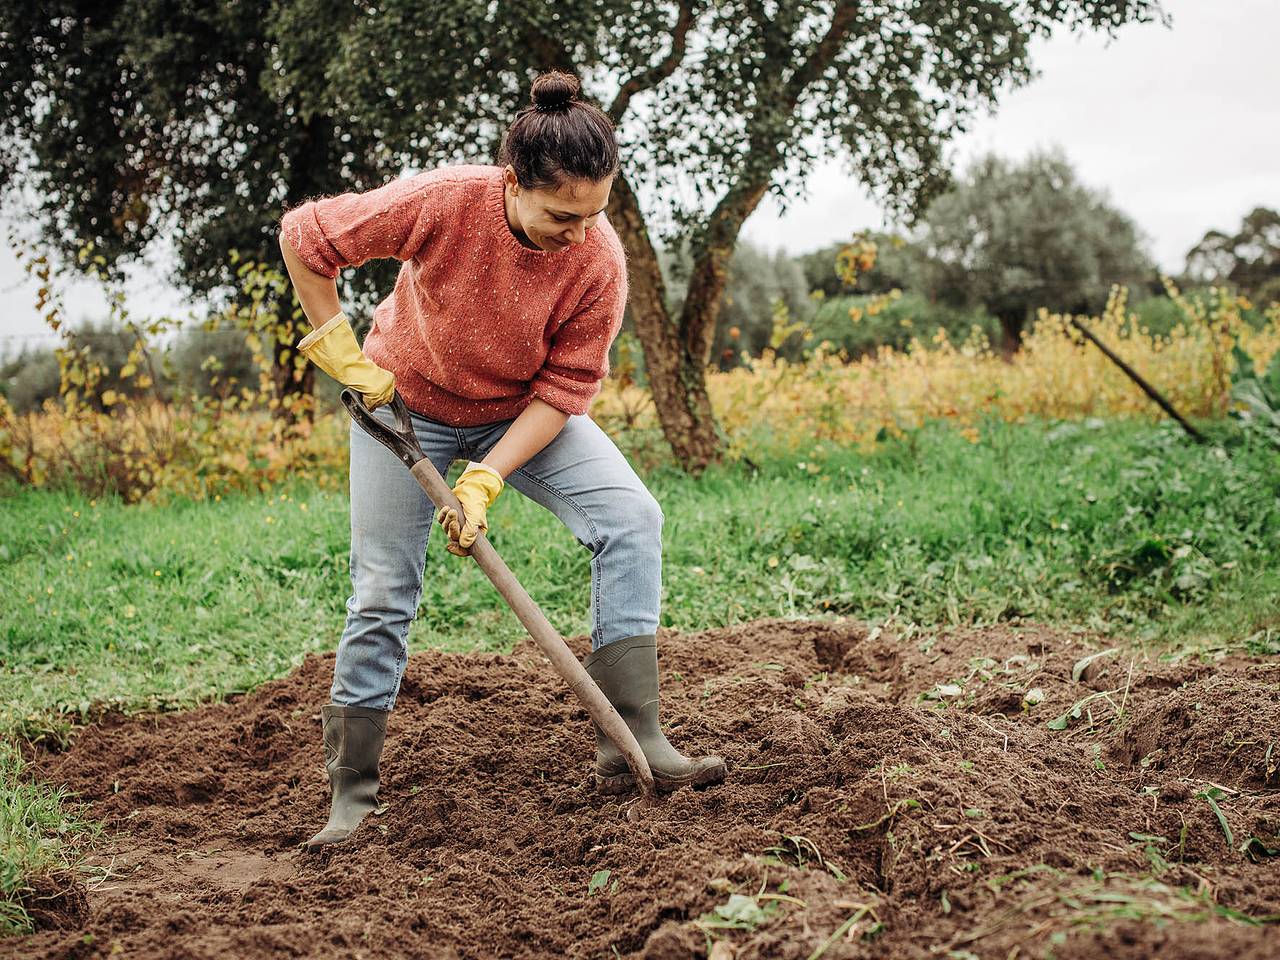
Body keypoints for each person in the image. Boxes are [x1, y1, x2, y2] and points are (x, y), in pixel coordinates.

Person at [278, 70, 726, 850]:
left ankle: (635, 740)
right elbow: (307, 237)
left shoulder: (599, 262)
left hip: (519, 413)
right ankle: (351, 794)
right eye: (562, 214)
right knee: (384, 588)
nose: (581, 233)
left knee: (630, 518)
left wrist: (487, 475)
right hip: (401, 409)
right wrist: (342, 353)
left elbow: (565, 388)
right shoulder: (450, 199)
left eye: (596, 214)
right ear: (513, 184)